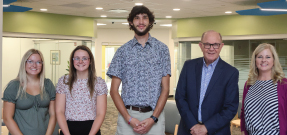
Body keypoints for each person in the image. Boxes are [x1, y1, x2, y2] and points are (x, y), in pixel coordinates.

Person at [107, 5, 171, 135]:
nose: (141, 22)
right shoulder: (122, 52)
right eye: (137, 18)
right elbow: (113, 91)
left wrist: (153, 118)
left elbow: (165, 89)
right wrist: (128, 118)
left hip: (154, 116)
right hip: (128, 116)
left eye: (144, 18)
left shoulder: (162, 50)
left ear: (150, 21)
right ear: (131, 22)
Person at [175, 30, 239, 135]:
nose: (211, 49)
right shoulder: (189, 66)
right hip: (188, 130)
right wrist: (193, 125)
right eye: (207, 45)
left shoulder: (231, 73)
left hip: (216, 131)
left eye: (216, 45)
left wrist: (206, 127)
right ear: (200, 46)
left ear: (221, 46)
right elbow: (180, 97)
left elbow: (230, 108)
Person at [240, 43, 287, 135]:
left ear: (274, 60)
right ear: (255, 60)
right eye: (260, 57)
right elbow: (244, 114)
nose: (263, 60)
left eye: (268, 57)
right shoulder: (248, 85)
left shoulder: (285, 85)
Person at [2, 49, 58, 135]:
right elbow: (7, 118)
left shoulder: (48, 84)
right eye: (30, 61)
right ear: (24, 64)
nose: (34, 65)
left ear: (42, 65)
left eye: (38, 62)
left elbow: (53, 115)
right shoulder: (14, 86)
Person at [55, 45, 107, 135]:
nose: (80, 61)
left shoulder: (99, 83)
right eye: (77, 58)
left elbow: (100, 113)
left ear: (90, 61)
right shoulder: (64, 81)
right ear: (72, 61)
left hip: (92, 129)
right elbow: (59, 111)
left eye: (84, 58)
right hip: (68, 129)